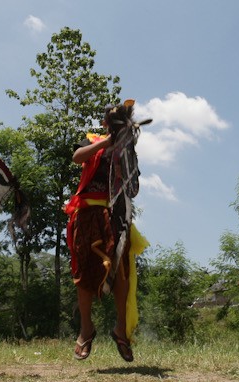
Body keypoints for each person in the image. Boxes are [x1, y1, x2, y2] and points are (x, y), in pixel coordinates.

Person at [64, 101, 147, 362]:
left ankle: (120, 329)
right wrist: (105, 143)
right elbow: (77, 157)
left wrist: (122, 151)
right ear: (104, 125)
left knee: (121, 271)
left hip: (115, 216)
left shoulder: (127, 149)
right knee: (84, 271)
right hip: (88, 212)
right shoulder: (92, 140)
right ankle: (86, 329)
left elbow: (133, 185)